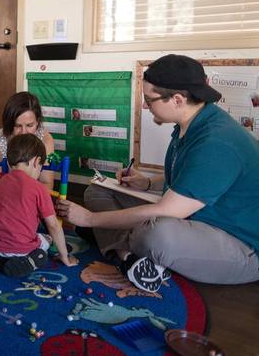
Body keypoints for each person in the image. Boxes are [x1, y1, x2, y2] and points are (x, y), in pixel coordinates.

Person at [57, 54, 259, 292]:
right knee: (97, 192)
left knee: (156, 233)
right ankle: (127, 257)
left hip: (241, 246)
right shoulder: (193, 124)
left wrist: (90, 220)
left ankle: (117, 247)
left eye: (148, 99)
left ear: (177, 99)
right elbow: (192, 174)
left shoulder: (216, 142)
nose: (144, 105)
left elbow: (167, 210)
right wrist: (147, 183)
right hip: (195, 218)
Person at [0, 134, 77, 277]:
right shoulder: (39, 189)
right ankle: (30, 261)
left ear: (10, 163)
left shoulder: (2, 181)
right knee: (46, 240)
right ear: (37, 162)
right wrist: (64, 255)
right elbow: (53, 225)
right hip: (20, 250)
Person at [0, 91, 55, 193]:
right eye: (17, 126)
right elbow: (0, 185)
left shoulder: (45, 140)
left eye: (30, 125)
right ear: (9, 123)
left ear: (37, 122)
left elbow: (46, 182)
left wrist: (31, 201)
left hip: (34, 196)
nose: (24, 132)